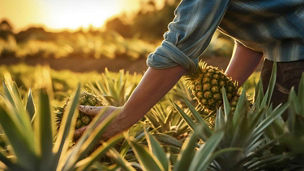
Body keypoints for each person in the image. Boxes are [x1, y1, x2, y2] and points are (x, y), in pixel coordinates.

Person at [75, 0, 304, 139]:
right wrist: (224, 94)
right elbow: (255, 36)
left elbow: (179, 47)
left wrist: (124, 116)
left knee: (285, 154)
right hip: (285, 59)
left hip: (297, 59)